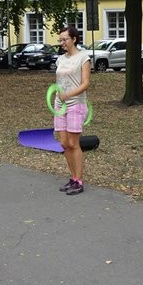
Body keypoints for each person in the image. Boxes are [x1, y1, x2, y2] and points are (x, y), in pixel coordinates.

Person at [54, 26, 91, 195]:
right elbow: (59, 81)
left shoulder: (83, 58)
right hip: (59, 104)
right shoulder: (60, 59)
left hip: (76, 104)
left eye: (65, 39)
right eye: (60, 40)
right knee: (64, 143)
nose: (62, 43)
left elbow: (85, 84)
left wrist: (68, 94)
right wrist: (59, 95)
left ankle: (79, 181)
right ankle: (73, 177)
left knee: (73, 144)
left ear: (74, 39)